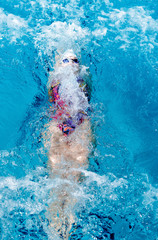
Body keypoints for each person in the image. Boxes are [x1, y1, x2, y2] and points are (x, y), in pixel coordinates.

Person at [43, 49, 92, 239]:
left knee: (77, 171)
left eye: (75, 60)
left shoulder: (84, 79)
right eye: (66, 60)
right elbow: (51, 102)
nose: (71, 62)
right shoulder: (54, 79)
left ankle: (69, 224)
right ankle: (54, 225)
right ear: (58, 65)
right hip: (58, 125)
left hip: (82, 125)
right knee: (57, 175)